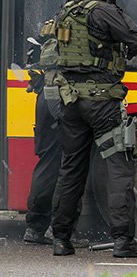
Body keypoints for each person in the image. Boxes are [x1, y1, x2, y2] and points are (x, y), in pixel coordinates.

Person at [49, 0, 137, 258]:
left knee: (71, 168)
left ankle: (61, 239)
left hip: (70, 101)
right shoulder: (104, 12)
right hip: (102, 101)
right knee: (119, 167)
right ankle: (123, 240)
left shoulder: (66, 12)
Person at [22, 36, 87, 248]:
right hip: (58, 93)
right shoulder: (80, 19)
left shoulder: (60, 21)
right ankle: (55, 229)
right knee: (67, 167)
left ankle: (36, 227)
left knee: (49, 165)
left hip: (47, 92)